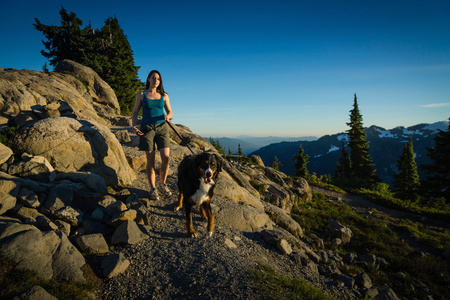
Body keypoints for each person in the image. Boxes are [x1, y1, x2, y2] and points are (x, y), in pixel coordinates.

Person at [131, 70, 173, 200]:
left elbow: (170, 111)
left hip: (162, 128)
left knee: (166, 158)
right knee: (151, 160)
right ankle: (153, 188)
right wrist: (134, 127)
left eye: (158, 79)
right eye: (153, 78)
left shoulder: (164, 95)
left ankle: (163, 184)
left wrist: (168, 117)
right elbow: (135, 113)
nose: (156, 81)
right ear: (148, 79)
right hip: (147, 129)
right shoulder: (142, 95)